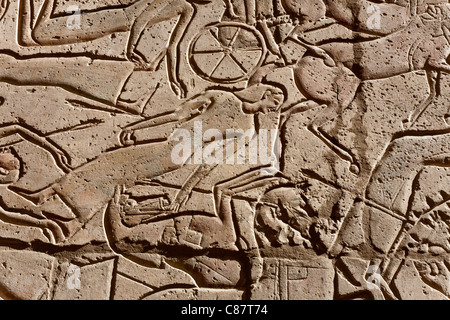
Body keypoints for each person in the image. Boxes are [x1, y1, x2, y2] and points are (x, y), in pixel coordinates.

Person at [0, 83, 293, 244]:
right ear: (264, 94)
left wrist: (185, 191)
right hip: (171, 153)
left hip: (172, 155)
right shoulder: (225, 100)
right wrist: (141, 126)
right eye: (274, 101)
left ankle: (68, 219)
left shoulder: (241, 123)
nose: (273, 107)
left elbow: (206, 160)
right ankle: (54, 204)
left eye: (277, 105)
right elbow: (178, 115)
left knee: (111, 173)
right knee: (108, 167)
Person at [17, 0, 213, 99]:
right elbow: (141, 19)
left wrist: (174, 78)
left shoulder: (187, 9)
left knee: (33, 37)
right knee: (37, 36)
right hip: (110, 20)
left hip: (113, 24)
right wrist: (131, 48)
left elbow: (174, 45)